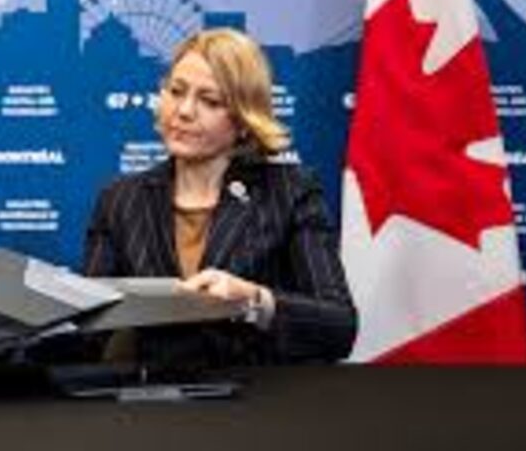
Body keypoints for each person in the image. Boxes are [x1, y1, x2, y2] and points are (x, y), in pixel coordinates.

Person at [84, 29, 356, 367]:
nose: (184, 111)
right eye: (176, 91)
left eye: (210, 101)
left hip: (258, 393)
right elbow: (86, 331)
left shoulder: (290, 191)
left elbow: (339, 327)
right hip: (154, 394)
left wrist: (253, 300)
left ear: (244, 119)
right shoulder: (120, 199)